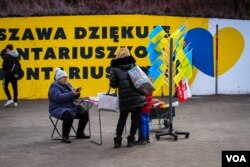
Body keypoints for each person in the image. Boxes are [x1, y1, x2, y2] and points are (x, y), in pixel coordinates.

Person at [109, 47, 146, 148]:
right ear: (128, 54)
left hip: (124, 98)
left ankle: (118, 140)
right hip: (136, 97)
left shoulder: (114, 68)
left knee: (122, 118)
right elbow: (140, 82)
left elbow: (113, 85)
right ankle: (130, 140)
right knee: (135, 120)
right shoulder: (133, 65)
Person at [48, 67, 90, 144]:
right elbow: (58, 98)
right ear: (58, 78)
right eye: (64, 77)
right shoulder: (54, 86)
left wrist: (77, 93)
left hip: (70, 106)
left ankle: (80, 133)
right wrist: (72, 93)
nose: (66, 79)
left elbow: (73, 95)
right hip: (57, 108)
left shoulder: (68, 84)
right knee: (68, 114)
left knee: (84, 111)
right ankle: (65, 137)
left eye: (66, 77)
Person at [136, 67, 153, 144]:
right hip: (148, 106)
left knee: (142, 122)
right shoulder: (149, 82)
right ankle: (147, 137)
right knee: (146, 121)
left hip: (143, 106)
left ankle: (143, 138)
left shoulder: (142, 83)